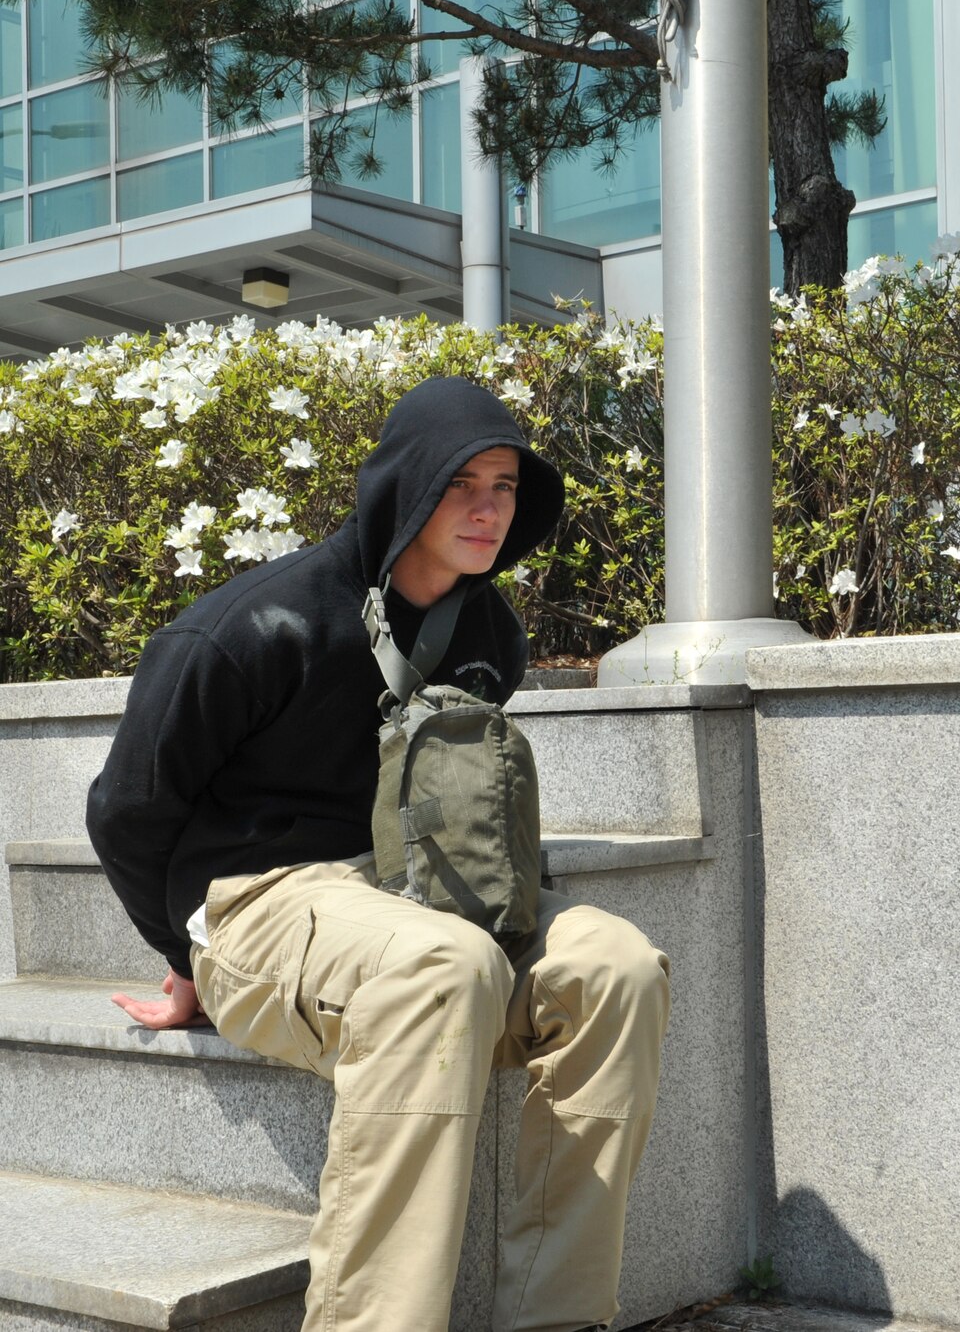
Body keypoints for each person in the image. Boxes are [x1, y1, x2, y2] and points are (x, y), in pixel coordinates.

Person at [85, 375, 672, 1332]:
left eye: (507, 487)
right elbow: (124, 809)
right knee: (446, 968)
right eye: (463, 484)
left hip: (415, 888)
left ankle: (556, 1318)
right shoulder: (251, 629)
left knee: (616, 969)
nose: (489, 509)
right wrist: (184, 952)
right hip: (266, 897)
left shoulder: (490, 631)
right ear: (406, 486)